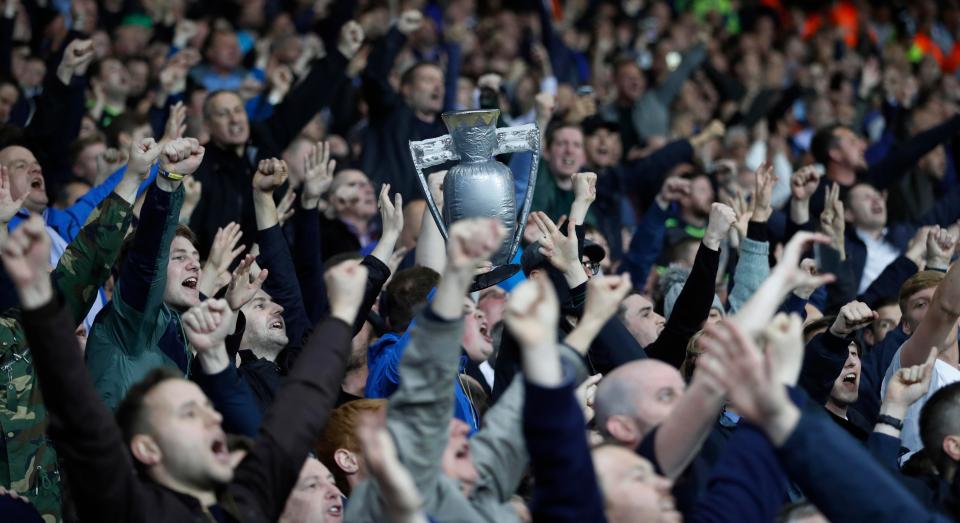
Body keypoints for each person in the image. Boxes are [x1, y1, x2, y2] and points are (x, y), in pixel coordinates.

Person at [1, 212, 368, 520]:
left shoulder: (248, 501)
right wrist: (40, 305)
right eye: (188, 413)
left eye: (205, 409)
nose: (213, 419)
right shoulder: (129, 508)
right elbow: (78, 408)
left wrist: (343, 316)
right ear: (147, 449)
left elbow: (300, 403)